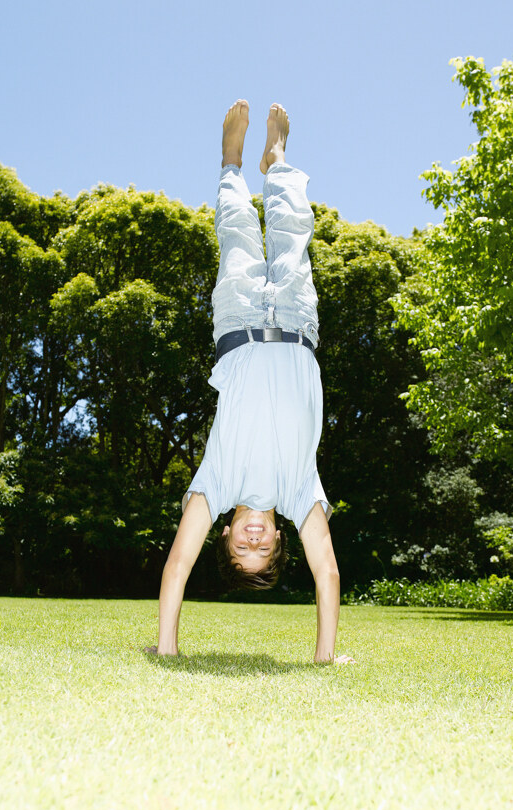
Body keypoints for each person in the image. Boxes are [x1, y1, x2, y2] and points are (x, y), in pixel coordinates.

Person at [145, 101, 355, 664]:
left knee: (237, 234)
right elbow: (328, 573)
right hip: (296, 326)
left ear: (227, 534)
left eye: (243, 547)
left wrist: (167, 650)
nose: (254, 541)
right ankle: (279, 156)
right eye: (263, 549)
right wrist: (324, 658)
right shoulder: (300, 494)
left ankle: (231, 161)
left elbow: (177, 566)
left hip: (238, 325)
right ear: (281, 540)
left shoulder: (213, 486)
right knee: (292, 231)